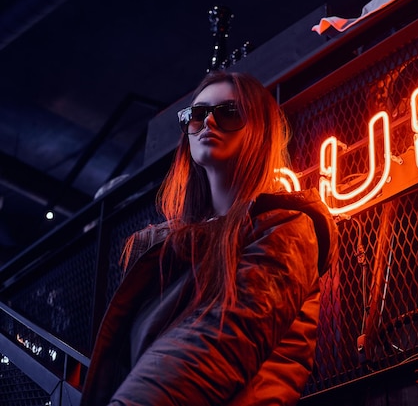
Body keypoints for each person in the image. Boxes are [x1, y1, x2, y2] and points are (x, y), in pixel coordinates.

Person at [80, 71, 339, 405]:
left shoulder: (286, 230)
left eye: (229, 113)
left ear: (260, 131)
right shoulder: (168, 250)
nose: (208, 123)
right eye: (197, 115)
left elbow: (215, 343)